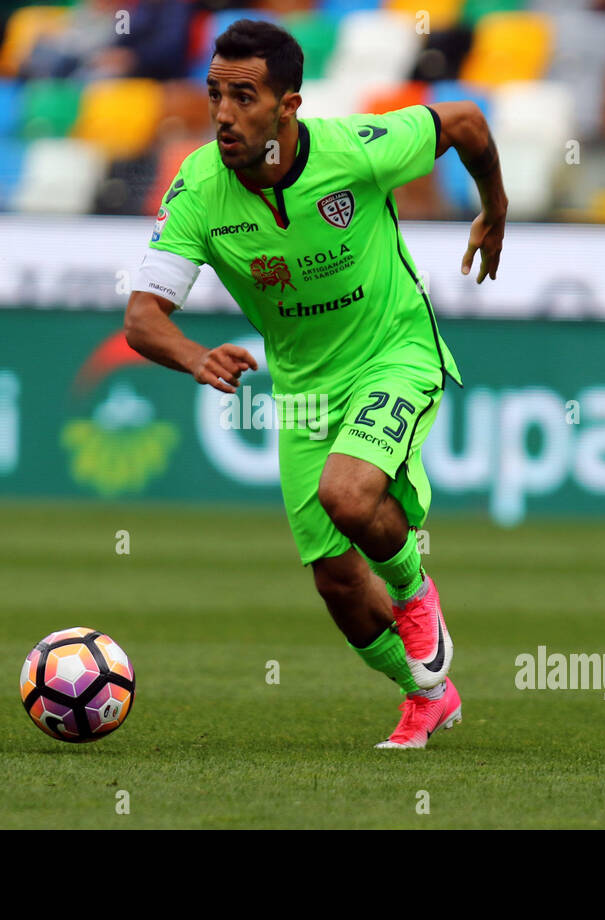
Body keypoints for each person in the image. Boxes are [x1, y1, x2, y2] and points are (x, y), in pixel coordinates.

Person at [123, 20, 509, 749]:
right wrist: (195, 356)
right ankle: (426, 695)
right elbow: (143, 317)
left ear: (287, 106)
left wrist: (495, 205)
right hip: (303, 390)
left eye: (244, 95)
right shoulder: (199, 189)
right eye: (214, 94)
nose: (224, 113)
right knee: (333, 579)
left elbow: (465, 121)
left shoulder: (356, 153)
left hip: (395, 351)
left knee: (349, 494)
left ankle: (414, 592)